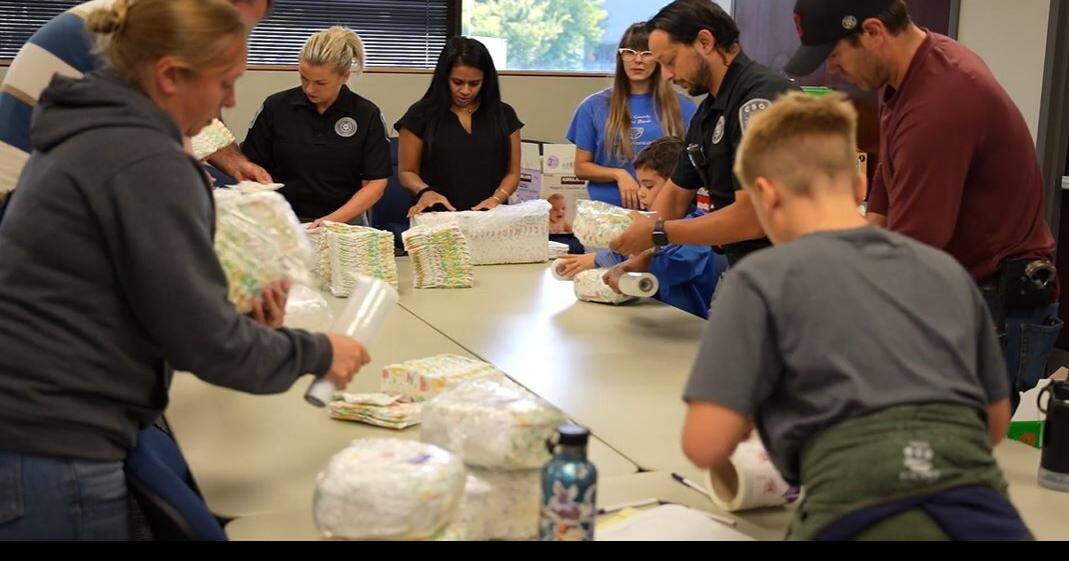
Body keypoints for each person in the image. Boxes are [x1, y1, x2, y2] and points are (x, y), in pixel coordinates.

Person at [0, 0, 369, 540]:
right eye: (225, 83)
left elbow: (134, 297)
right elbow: (210, 346)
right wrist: (321, 352)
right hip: (56, 444)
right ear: (171, 76)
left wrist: (221, 310)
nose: (232, 101)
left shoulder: (98, 135)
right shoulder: (144, 157)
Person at [682, 92, 1030, 541]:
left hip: (855, 514)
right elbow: (994, 423)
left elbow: (704, 442)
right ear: (862, 183)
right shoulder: (944, 270)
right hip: (987, 515)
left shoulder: (761, 279)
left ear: (764, 195)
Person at [785, 0, 1061, 412]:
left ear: (874, 32)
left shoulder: (941, 101)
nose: (832, 70)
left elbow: (917, 249)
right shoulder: (904, 73)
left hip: (989, 304)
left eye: (834, 55)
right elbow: (889, 174)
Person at [0, 0, 273, 202]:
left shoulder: (141, 20)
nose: (231, 100)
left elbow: (191, 113)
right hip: (20, 196)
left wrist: (235, 163)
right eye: (236, 26)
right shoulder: (140, 34)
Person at [608, 0, 795, 268]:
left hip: (788, 270)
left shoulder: (761, 101)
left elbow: (752, 217)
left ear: (705, 42)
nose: (667, 75)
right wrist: (640, 255)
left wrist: (659, 233)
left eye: (669, 61)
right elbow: (675, 192)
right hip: (745, 267)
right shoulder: (708, 113)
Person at [557, 137, 725, 318]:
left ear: (678, 185)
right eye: (640, 184)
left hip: (685, 324)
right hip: (651, 317)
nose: (640, 192)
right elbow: (634, 253)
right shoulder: (649, 225)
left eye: (649, 185)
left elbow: (668, 266)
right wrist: (597, 258)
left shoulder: (697, 232)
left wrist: (612, 262)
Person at [242, 26, 391, 226]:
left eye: (321, 83)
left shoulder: (366, 115)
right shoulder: (275, 107)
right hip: (282, 220)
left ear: (344, 76)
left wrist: (329, 222)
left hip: (345, 221)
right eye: (304, 78)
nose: (310, 89)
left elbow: (375, 183)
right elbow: (251, 165)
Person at [565, 22, 696, 209]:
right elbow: (581, 167)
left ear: (659, 59)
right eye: (630, 52)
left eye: (647, 53)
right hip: (608, 213)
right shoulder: (593, 107)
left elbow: (692, 166)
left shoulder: (684, 107)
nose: (638, 60)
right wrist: (619, 175)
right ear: (621, 57)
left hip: (665, 212)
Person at [395, 37, 523, 216]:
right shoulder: (420, 114)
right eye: (457, 82)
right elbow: (407, 172)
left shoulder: (504, 114)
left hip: (489, 218)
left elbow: (512, 173)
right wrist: (426, 192)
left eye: (474, 84)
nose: (465, 91)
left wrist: (497, 199)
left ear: (486, 81)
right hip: (437, 218)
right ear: (444, 78)